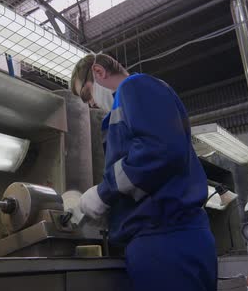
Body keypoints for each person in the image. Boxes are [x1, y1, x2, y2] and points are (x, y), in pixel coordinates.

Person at [70, 53, 217, 291]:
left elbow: (158, 150)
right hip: (169, 236)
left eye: (86, 94)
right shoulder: (127, 104)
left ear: (98, 72)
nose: (90, 104)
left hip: (164, 238)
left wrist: (103, 193)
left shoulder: (135, 87)